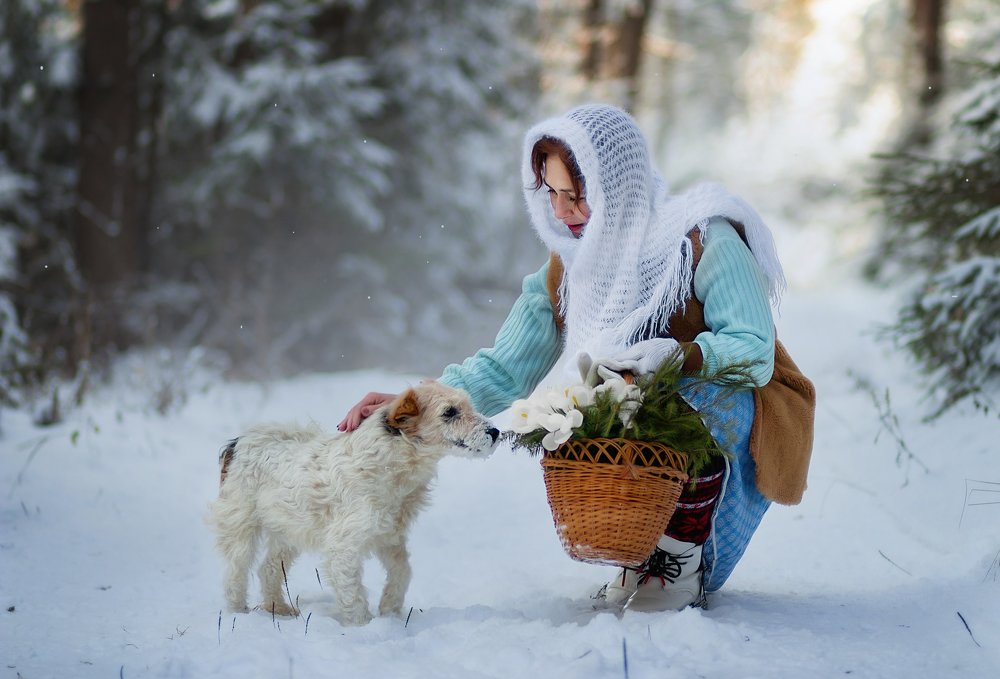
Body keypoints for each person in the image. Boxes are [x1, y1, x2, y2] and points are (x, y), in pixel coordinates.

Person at [339, 103, 814, 611]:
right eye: (553, 194)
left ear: (617, 186)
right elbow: (507, 366)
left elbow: (753, 351)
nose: (562, 212)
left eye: (577, 195)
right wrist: (419, 405)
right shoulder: (570, 266)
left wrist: (673, 355)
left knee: (652, 392)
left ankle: (679, 558)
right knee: (590, 404)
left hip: (743, 409)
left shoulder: (701, 239)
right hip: (648, 408)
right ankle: (643, 551)